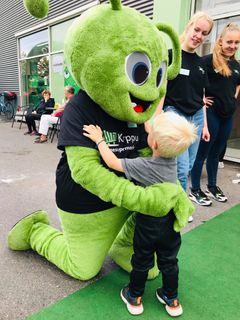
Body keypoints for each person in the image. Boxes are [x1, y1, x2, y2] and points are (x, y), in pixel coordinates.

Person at [83, 112, 197, 317]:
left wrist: (99, 139)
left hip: (149, 225)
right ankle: (172, 299)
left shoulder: (145, 166)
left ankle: (134, 297)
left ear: (153, 144)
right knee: (169, 261)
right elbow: (152, 132)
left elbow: (112, 163)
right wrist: (146, 117)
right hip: (170, 225)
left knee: (142, 260)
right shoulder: (173, 160)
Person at [158, 12, 214, 216]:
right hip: (175, 116)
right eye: (197, 29)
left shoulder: (201, 64)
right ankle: (179, 207)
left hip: (197, 116)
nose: (199, 35)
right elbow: (161, 89)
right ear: (189, 27)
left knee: (188, 166)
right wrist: (156, 118)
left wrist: (205, 126)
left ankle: (177, 199)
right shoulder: (171, 56)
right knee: (180, 168)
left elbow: (202, 97)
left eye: (204, 33)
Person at [190, 23, 240, 205]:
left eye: (236, 43)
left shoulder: (236, 65)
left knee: (217, 153)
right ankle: (195, 189)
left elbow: (237, 83)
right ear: (220, 41)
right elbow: (193, 81)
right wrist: (201, 99)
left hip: (227, 116)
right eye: (229, 42)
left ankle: (212, 186)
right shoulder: (207, 61)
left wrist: (233, 97)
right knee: (202, 153)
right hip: (211, 114)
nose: (233, 46)